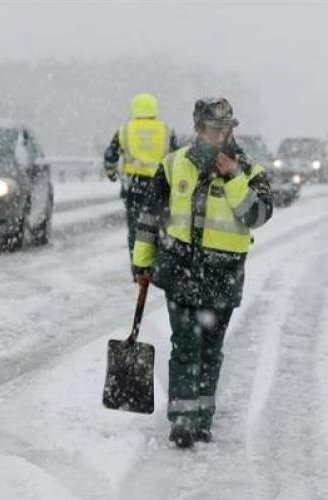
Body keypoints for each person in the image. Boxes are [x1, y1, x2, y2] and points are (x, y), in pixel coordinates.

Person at [131, 97, 274, 448]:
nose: (222, 135)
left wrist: (233, 178)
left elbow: (258, 215)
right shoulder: (173, 164)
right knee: (185, 345)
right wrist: (142, 262)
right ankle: (181, 421)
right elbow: (150, 218)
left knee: (210, 349)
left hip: (223, 273)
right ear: (198, 129)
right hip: (180, 268)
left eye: (227, 128)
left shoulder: (249, 169)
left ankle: (203, 419)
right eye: (215, 129)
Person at [103, 93, 177, 262]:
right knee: (163, 226)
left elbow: (110, 155)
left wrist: (112, 173)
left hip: (135, 187)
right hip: (161, 186)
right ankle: (161, 263)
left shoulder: (125, 130)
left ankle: (138, 267)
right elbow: (177, 157)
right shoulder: (166, 130)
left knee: (137, 229)